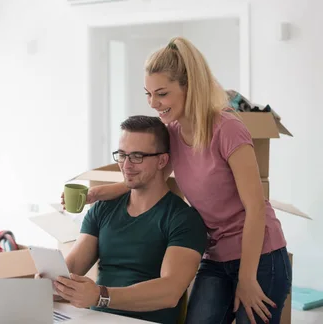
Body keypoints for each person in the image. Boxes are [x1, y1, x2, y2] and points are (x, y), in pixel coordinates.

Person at [64, 37, 291, 324]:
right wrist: (104, 192)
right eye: (148, 94)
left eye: (162, 94)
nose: (153, 103)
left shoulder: (228, 129)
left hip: (260, 254)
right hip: (215, 254)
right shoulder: (172, 133)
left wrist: (247, 277)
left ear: (189, 87)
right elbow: (149, 173)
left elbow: (256, 207)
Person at [51, 115, 207, 324]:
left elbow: (170, 291)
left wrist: (100, 296)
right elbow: (72, 267)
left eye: (137, 156)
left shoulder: (184, 219)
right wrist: (51, 282)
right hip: (95, 319)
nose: (126, 165)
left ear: (162, 160)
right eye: (122, 155)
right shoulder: (103, 209)